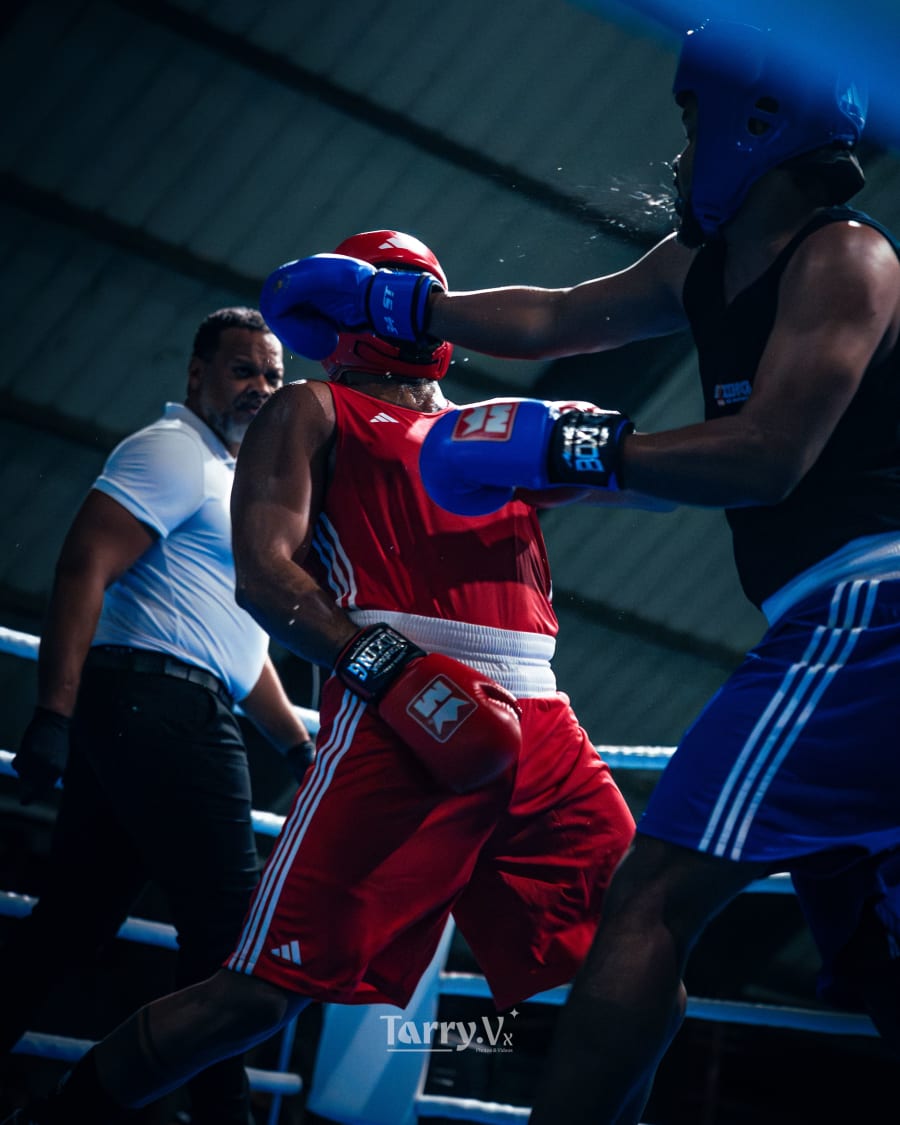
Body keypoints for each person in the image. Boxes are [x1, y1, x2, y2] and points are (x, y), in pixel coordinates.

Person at [199, 20, 900, 1123]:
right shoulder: (704, 268)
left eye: (690, 121)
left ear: (756, 122)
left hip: (863, 615)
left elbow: (770, 456)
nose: (680, 152)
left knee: (651, 903)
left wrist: (584, 454)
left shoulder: (846, 257)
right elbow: (564, 316)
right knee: (872, 965)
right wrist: (411, 308)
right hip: (416, 698)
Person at [3, 231, 635, 1124]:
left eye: (426, 288)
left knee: (641, 958)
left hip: (542, 718)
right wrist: (381, 667)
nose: (413, 304)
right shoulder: (311, 407)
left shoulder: (491, 426)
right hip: (398, 713)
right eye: (393, 288)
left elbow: (631, 479)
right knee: (258, 993)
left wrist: (603, 446)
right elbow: (263, 574)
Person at [1, 307, 315, 1125]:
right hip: (161, 703)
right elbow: (83, 565)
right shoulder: (171, 451)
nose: (261, 388)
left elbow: (238, 644)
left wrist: (296, 743)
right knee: (232, 933)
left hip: (159, 702)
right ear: (196, 375)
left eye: (273, 375)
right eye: (244, 369)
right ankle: (217, 1113)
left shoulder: (235, 481)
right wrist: (52, 711)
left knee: (73, 919)